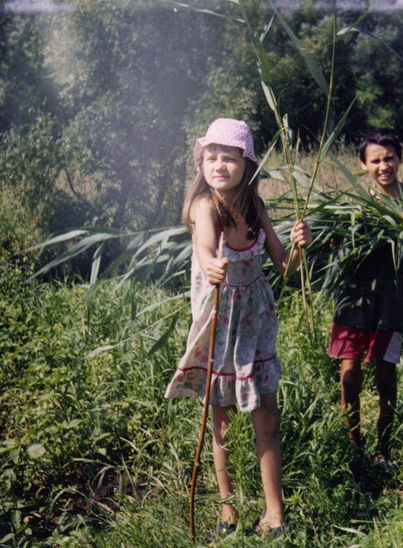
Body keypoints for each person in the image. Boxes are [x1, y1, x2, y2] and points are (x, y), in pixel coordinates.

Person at [164, 118, 311, 539]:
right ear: (201, 163)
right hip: (220, 323)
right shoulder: (204, 207)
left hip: (257, 323)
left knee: (267, 418)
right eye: (211, 156)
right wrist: (210, 265)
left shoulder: (257, 209)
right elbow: (206, 248)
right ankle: (228, 514)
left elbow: (285, 269)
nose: (219, 165)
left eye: (229, 157)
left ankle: (275, 515)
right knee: (222, 422)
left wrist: (300, 247)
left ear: (247, 165)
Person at [326, 129, 403, 470]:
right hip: (353, 300)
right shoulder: (353, 201)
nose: (384, 166)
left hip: (391, 302)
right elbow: (335, 248)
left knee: (386, 374)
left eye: (389, 158)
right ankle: (354, 446)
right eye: (375, 160)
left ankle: (383, 450)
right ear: (363, 164)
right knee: (350, 373)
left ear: (400, 159)